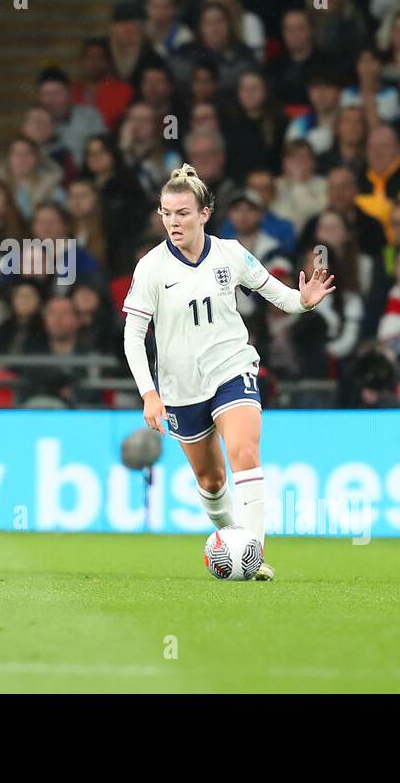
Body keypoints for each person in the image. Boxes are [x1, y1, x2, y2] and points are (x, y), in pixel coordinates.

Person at [122, 164, 335, 581]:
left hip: (231, 368)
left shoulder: (230, 254)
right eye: (166, 213)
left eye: (182, 212)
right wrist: (149, 393)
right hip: (181, 387)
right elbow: (133, 335)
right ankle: (229, 540)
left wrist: (304, 300)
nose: (173, 221)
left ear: (204, 213)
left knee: (244, 452)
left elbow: (280, 295)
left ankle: (252, 554)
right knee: (212, 478)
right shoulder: (150, 267)